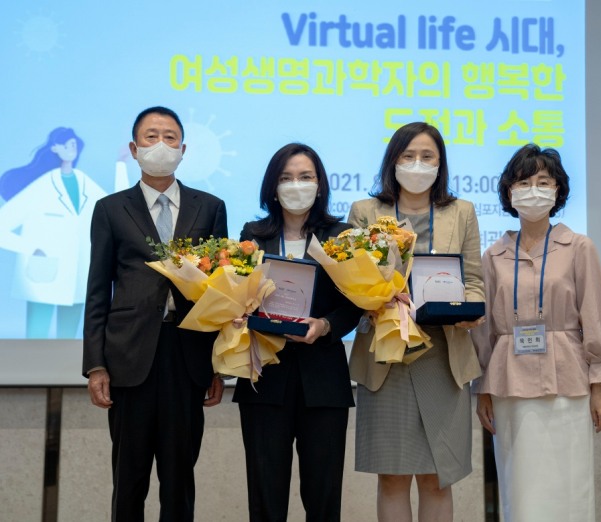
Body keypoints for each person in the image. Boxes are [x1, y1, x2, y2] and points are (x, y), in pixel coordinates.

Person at [82, 106, 228, 521]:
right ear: (133, 148)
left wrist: (217, 364)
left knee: (180, 478)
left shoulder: (210, 207)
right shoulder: (111, 209)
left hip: (188, 356)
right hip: (129, 358)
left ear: (183, 149)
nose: (160, 145)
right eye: (150, 137)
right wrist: (96, 364)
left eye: (169, 137)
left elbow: (221, 291)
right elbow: (97, 292)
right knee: (128, 480)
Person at [471, 143, 601, 522]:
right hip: (509, 386)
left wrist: (599, 386)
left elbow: (598, 316)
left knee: (569, 485)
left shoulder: (579, 248)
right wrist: (483, 388)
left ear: (558, 191)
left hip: (567, 382)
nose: (534, 189)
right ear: (509, 191)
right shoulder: (493, 256)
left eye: (543, 181)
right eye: (524, 181)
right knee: (519, 489)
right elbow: (485, 329)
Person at [347, 122, 485, 522]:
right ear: (393, 161)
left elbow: (473, 281)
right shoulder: (365, 212)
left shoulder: (461, 212)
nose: (417, 164)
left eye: (428, 157)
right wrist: (377, 297)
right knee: (392, 478)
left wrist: (466, 310)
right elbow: (351, 280)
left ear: (440, 165)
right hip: (386, 358)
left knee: (437, 478)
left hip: (444, 356)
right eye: (408, 156)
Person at [233, 143, 362, 521]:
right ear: (273, 186)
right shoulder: (251, 234)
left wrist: (325, 325)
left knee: (323, 498)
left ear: (320, 185)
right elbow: (236, 293)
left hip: (323, 381)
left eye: (305, 177)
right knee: (265, 496)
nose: (296, 185)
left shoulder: (342, 235)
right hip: (264, 379)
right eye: (286, 178)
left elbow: (356, 302)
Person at [0, 127, 127, 338]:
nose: (72, 147)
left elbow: (118, 206)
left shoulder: (83, 181)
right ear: (54, 148)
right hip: (42, 272)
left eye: (74, 143)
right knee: (35, 340)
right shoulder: (42, 186)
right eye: (66, 143)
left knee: (70, 341)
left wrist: (120, 164)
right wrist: (31, 248)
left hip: (78, 277)